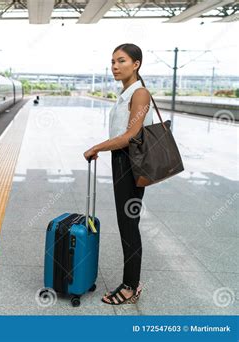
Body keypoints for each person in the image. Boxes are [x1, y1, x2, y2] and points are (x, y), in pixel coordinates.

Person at [83, 43, 154, 305]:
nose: (115, 66)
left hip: (131, 164)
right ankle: (130, 282)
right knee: (127, 223)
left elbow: (130, 136)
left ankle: (130, 286)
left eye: (121, 61)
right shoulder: (126, 93)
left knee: (128, 225)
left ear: (136, 65)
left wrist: (96, 147)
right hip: (121, 161)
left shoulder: (140, 94)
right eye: (112, 61)